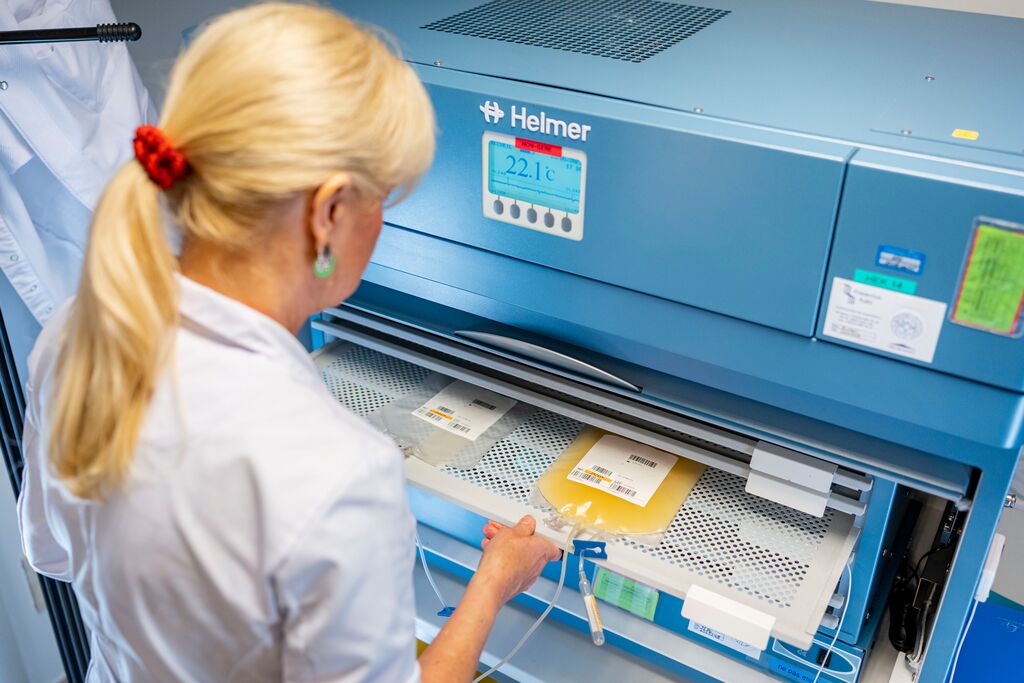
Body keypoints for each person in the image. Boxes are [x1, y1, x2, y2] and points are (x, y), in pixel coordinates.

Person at [16, 4, 560, 682]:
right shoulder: (338, 472)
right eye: (383, 199)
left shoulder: (74, 334)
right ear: (328, 212)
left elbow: (51, 553)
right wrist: (493, 583)